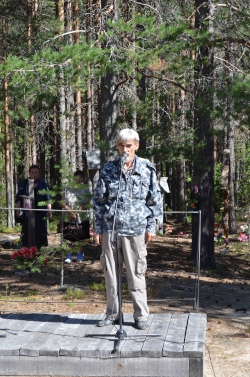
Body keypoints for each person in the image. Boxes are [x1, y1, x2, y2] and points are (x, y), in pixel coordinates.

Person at [93, 128, 162, 330]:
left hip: (136, 230)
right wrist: (98, 229)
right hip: (111, 229)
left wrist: (152, 226)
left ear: (136, 146)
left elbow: (155, 201)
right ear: (117, 146)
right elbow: (98, 201)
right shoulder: (108, 169)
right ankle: (113, 313)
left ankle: (140, 315)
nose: (125, 149)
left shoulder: (147, 169)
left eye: (129, 146)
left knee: (136, 273)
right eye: (121, 145)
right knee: (111, 275)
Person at [15, 165, 52, 249]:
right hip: (27, 212)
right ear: (29, 173)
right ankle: (26, 252)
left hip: (40, 211)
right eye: (32, 172)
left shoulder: (43, 183)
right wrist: (18, 210)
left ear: (39, 173)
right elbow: (18, 198)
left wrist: (49, 210)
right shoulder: (23, 183)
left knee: (39, 232)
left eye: (36, 172)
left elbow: (48, 198)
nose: (34, 174)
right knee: (27, 231)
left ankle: (38, 251)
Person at [62, 170, 91, 263]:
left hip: (81, 216)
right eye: (77, 177)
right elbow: (62, 202)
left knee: (81, 236)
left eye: (81, 177)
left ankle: (79, 255)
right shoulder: (67, 188)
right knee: (68, 236)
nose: (79, 179)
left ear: (83, 179)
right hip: (68, 216)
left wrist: (77, 212)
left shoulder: (86, 189)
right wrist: (70, 211)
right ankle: (69, 255)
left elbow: (86, 201)